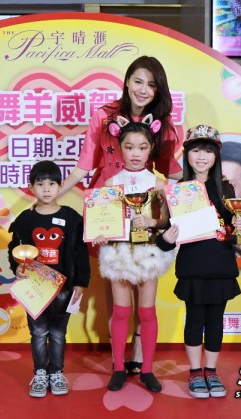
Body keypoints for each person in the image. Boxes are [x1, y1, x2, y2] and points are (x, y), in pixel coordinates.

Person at [60, 55, 183, 377]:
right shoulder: (104, 116)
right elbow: (84, 167)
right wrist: (52, 195)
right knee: (115, 280)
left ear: (159, 90)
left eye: (151, 85)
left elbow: (172, 171)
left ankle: (140, 355)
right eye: (138, 81)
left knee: (146, 284)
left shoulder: (163, 125)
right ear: (127, 81)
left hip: (146, 209)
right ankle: (117, 358)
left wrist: (205, 182)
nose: (143, 89)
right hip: (107, 206)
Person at [156, 124, 241, 399]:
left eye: (208, 151)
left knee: (216, 322)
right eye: (196, 150)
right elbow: (164, 237)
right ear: (187, 154)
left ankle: (212, 371)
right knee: (194, 320)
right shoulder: (178, 191)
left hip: (221, 267)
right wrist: (166, 238)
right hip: (192, 267)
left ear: (216, 155)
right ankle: (196, 372)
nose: (201, 156)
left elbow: (234, 235)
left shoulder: (227, 188)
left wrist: (240, 227)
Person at [92, 116, 176, 393]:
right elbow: (102, 220)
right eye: (129, 147)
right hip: (119, 253)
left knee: (147, 312)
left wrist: (152, 222)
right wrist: (101, 233)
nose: (135, 153)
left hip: (148, 253)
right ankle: (118, 368)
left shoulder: (159, 184)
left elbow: (167, 221)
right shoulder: (110, 183)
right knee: (120, 312)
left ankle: (147, 370)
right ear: (120, 148)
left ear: (151, 148)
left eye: (142, 147)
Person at [7, 160, 90, 398]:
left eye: (52, 184)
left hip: (63, 288)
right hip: (34, 289)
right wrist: (16, 268)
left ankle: (56, 373)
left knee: (58, 333)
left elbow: (80, 252)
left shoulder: (71, 218)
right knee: (38, 333)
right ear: (31, 187)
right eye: (40, 184)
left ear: (60, 186)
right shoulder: (25, 219)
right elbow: (14, 248)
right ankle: (40, 374)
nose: (46, 189)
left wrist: (80, 283)